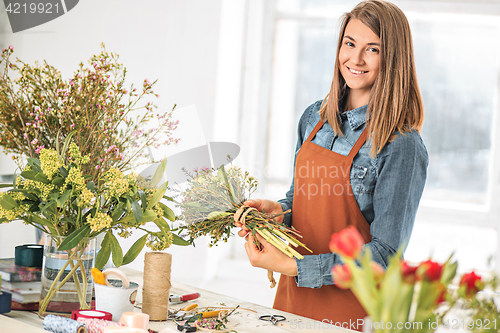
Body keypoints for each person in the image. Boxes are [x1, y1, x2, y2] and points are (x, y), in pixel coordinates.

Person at [236, 0, 428, 329]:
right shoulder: (315, 118)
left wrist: (295, 266)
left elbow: (384, 256)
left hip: (352, 312)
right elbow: (303, 201)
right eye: (349, 43)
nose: (355, 59)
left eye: (373, 49)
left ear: (393, 59)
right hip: (291, 300)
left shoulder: (401, 145)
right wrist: (279, 212)